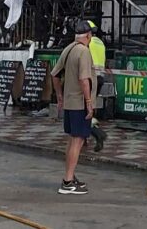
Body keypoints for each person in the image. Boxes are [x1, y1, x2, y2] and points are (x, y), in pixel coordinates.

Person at [50, 20, 96, 195]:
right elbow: (84, 80)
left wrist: (60, 96)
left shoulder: (68, 49)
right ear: (88, 35)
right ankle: (68, 181)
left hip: (70, 102)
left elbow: (54, 74)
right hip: (79, 103)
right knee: (77, 141)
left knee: (73, 141)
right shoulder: (83, 52)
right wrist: (89, 103)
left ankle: (69, 176)